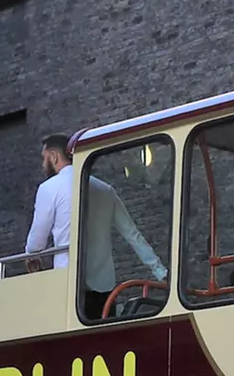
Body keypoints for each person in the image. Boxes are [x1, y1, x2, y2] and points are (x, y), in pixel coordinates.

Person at [24, 132, 166, 318]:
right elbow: (133, 234)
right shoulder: (105, 189)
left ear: (54, 156)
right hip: (105, 289)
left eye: (44, 159)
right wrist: (161, 273)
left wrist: (30, 254)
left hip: (69, 286)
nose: (43, 166)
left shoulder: (49, 188)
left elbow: (36, 245)